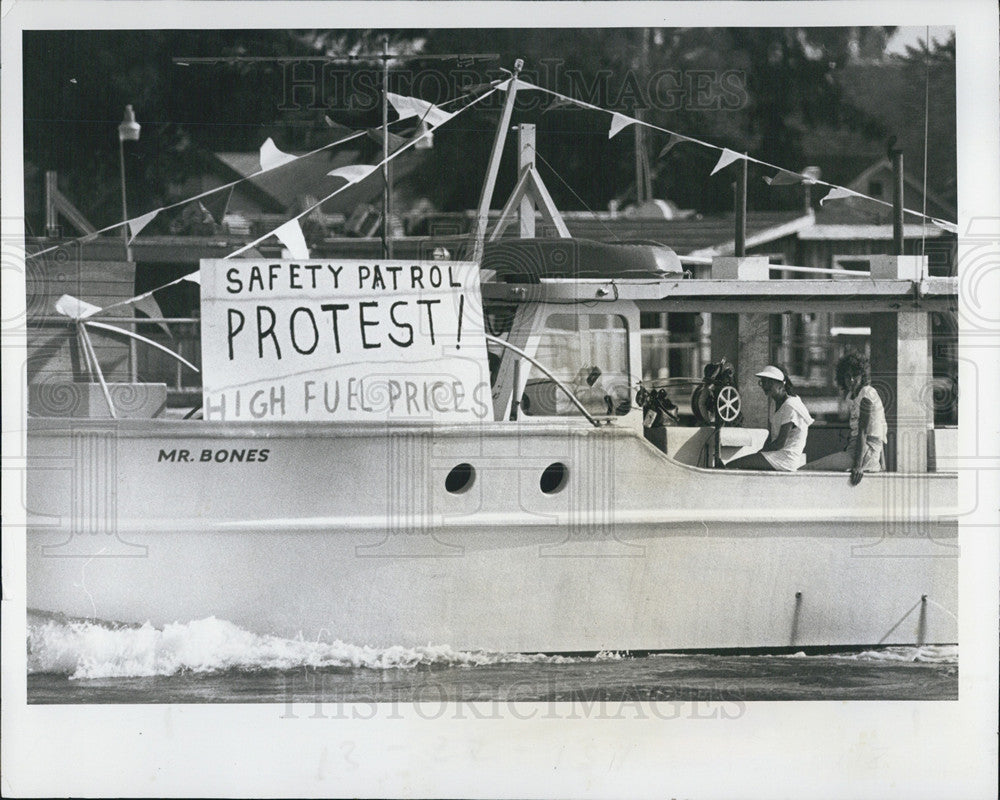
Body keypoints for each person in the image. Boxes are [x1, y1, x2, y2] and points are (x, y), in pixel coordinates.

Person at [803, 353, 886, 485]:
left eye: (855, 376)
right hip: (857, 451)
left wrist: (858, 467)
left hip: (864, 453)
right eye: (847, 376)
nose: (851, 380)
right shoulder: (851, 397)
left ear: (862, 375)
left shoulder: (867, 394)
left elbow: (864, 432)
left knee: (808, 469)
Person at [726, 365, 814, 471]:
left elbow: (779, 443)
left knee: (732, 465)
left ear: (782, 384)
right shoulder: (775, 403)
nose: (765, 386)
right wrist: (760, 453)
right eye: (763, 382)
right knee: (740, 464)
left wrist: (759, 455)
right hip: (776, 455)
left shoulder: (790, 405)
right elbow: (771, 437)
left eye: (770, 382)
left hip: (786, 459)